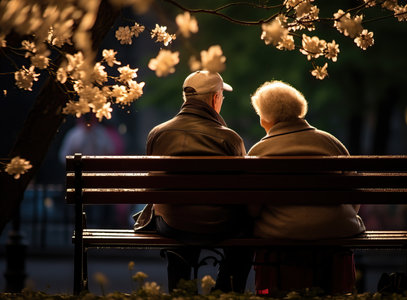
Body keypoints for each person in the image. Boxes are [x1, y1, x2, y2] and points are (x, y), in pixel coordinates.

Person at [133, 70, 252, 293]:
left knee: (175, 215)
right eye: (221, 97)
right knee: (246, 234)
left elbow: (154, 185)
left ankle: (181, 292)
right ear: (215, 98)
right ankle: (225, 293)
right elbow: (242, 190)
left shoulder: (157, 134)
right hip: (219, 225)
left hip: (172, 225)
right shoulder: (230, 138)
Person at [248, 80, 366, 294]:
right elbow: (354, 196)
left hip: (282, 232)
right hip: (335, 230)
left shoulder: (260, 150)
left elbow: (252, 208)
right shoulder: (331, 143)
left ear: (266, 118)